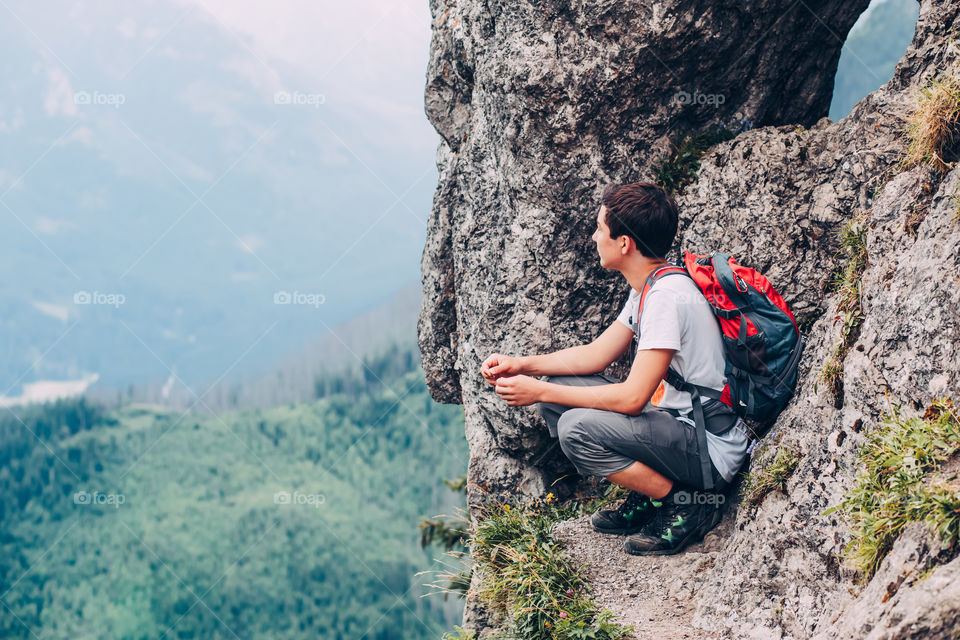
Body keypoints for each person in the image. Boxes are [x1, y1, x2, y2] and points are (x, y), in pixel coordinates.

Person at [480, 182, 750, 556]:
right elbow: (595, 355)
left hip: (710, 449)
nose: (593, 237)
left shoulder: (665, 300)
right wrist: (522, 365)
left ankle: (687, 504)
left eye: (600, 228)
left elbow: (632, 398)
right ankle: (654, 495)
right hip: (680, 427)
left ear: (624, 243)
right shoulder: (649, 286)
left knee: (574, 428)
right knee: (558, 393)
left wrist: (538, 390)